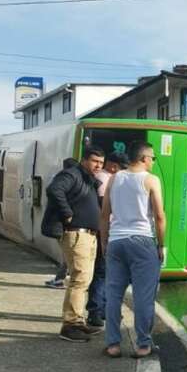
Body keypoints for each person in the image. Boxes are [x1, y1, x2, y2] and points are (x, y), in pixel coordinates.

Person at [101, 141, 167, 359]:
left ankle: (113, 344)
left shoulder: (114, 178)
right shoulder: (151, 180)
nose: (153, 161)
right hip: (142, 241)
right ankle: (143, 344)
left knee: (113, 295)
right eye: (153, 158)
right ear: (144, 158)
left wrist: (104, 242)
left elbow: (104, 215)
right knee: (143, 296)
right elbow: (159, 216)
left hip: (116, 242)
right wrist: (161, 245)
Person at [46, 148, 105, 342]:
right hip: (77, 234)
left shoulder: (88, 178)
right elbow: (54, 190)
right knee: (79, 279)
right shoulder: (72, 174)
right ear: (84, 160)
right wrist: (67, 213)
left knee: (84, 279)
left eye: (101, 163)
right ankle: (70, 325)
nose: (98, 166)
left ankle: (78, 322)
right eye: (95, 161)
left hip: (89, 235)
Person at [86, 151, 128, 327]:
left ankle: (103, 309)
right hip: (106, 231)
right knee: (102, 273)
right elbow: (106, 208)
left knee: (106, 273)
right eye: (121, 168)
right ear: (113, 165)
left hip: (108, 231)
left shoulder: (107, 178)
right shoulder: (104, 178)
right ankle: (96, 311)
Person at [45, 158, 79, 289]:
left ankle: (61, 279)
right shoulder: (72, 181)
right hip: (67, 225)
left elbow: (52, 191)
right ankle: (61, 278)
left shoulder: (63, 180)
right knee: (67, 254)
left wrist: (67, 213)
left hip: (64, 225)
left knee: (67, 254)